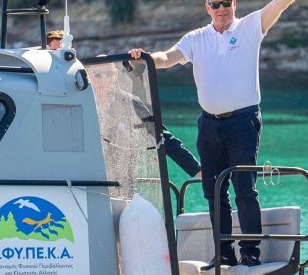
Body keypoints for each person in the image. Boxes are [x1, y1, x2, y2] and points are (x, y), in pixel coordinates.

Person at [129, 0, 308, 269]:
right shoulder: (196, 38)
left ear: (234, 4)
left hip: (243, 122)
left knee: (244, 189)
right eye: (216, 4)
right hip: (209, 125)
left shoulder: (250, 27)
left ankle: (250, 251)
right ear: (207, 8)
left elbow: (281, 1)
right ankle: (223, 251)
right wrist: (145, 58)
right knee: (213, 191)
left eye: (227, 3)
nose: (222, 9)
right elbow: (168, 57)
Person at [48, 30, 202, 178]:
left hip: (123, 183)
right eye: (98, 75)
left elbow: (162, 137)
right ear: (90, 77)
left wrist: (197, 170)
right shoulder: (78, 103)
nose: (103, 80)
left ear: (115, 76)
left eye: (108, 74)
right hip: (84, 179)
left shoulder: (130, 104)